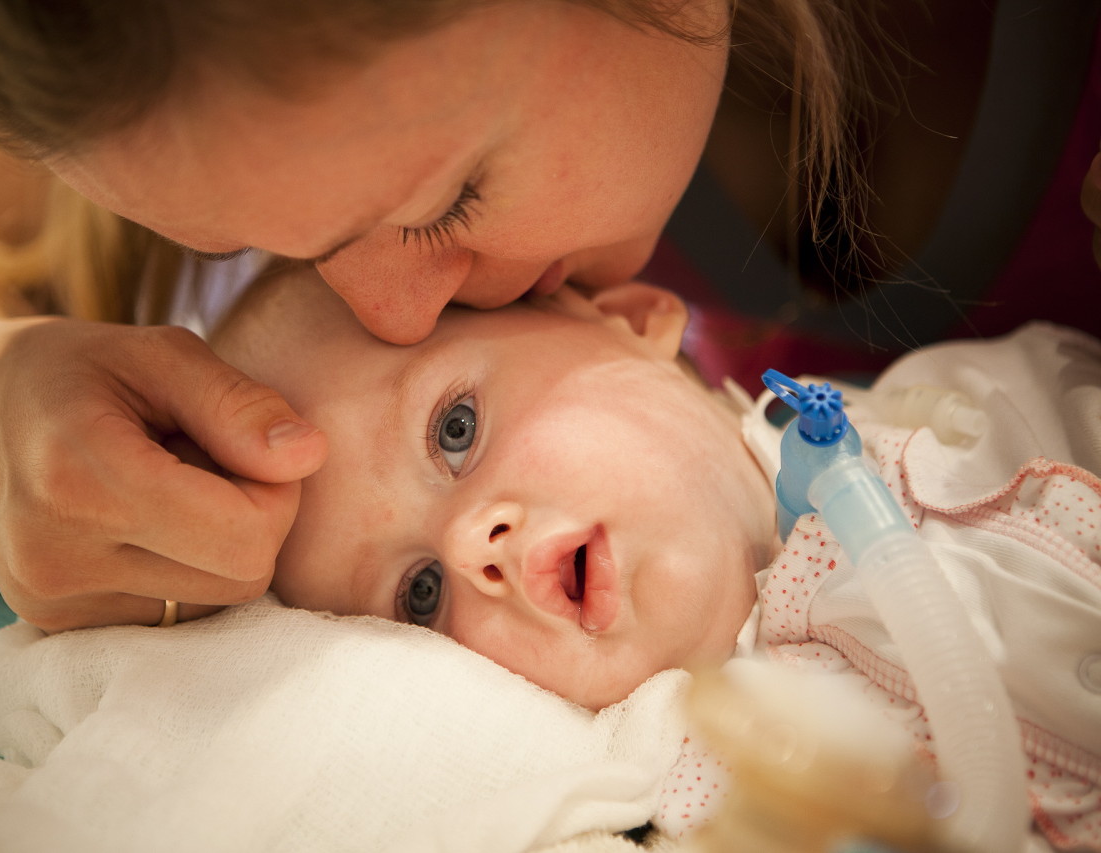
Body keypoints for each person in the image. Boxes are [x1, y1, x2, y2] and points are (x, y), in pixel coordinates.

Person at [0, 0, 1100, 632]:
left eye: (443, 202)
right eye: (277, 249)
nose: (389, 315)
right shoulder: (167, 40)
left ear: (644, 322)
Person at [213, 261, 1101, 849]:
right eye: (420, 594)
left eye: (456, 427)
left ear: (628, 321)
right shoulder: (702, 799)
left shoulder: (981, 417)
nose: (466, 543)